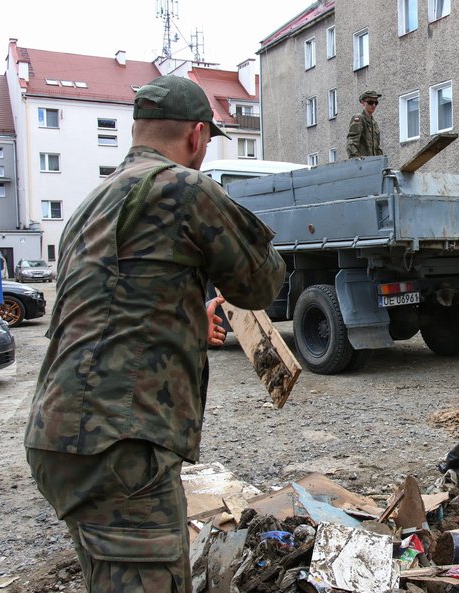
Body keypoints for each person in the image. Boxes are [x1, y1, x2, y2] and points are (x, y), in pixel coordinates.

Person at [24, 75, 286, 593]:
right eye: (207, 142)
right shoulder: (183, 188)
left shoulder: (91, 203)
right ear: (195, 135)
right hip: (120, 444)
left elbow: (111, 302)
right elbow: (262, 282)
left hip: (61, 435)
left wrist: (187, 308)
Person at [346, 90, 383, 158]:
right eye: (370, 102)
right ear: (363, 103)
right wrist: (357, 161)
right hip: (363, 164)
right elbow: (351, 143)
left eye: (376, 102)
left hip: (373, 163)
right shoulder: (359, 119)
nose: (374, 105)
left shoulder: (374, 123)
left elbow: (377, 148)